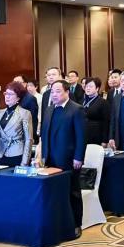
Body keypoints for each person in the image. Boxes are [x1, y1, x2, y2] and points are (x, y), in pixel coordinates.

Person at [39, 80, 86, 234]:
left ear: (67, 92)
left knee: (72, 192)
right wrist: (43, 155)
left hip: (69, 158)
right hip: (50, 158)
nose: (54, 94)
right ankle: (58, 222)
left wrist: (78, 157)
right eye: (52, 91)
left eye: (58, 91)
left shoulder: (76, 109)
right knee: (54, 191)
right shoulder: (49, 109)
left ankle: (76, 224)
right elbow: (45, 134)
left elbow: (81, 136)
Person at [0, 82, 33, 167]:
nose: (7, 96)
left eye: (11, 94)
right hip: (1, 154)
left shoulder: (25, 113)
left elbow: (28, 139)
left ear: (18, 97)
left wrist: (25, 162)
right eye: (6, 93)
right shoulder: (0, 112)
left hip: (17, 154)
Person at [81, 77, 109, 146]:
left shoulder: (103, 102)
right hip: (83, 135)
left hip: (96, 136)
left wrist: (104, 140)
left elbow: (106, 122)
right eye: (86, 86)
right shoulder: (82, 100)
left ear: (97, 88)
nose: (88, 88)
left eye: (90, 86)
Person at [13, 75, 39, 142]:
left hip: (26, 135)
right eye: (14, 83)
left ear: (25, 84)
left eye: (18, 82)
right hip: (14, 134)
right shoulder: (13, 97)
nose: (15, 85)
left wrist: (31, 137)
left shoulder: (30, 98)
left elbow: (33, 119)